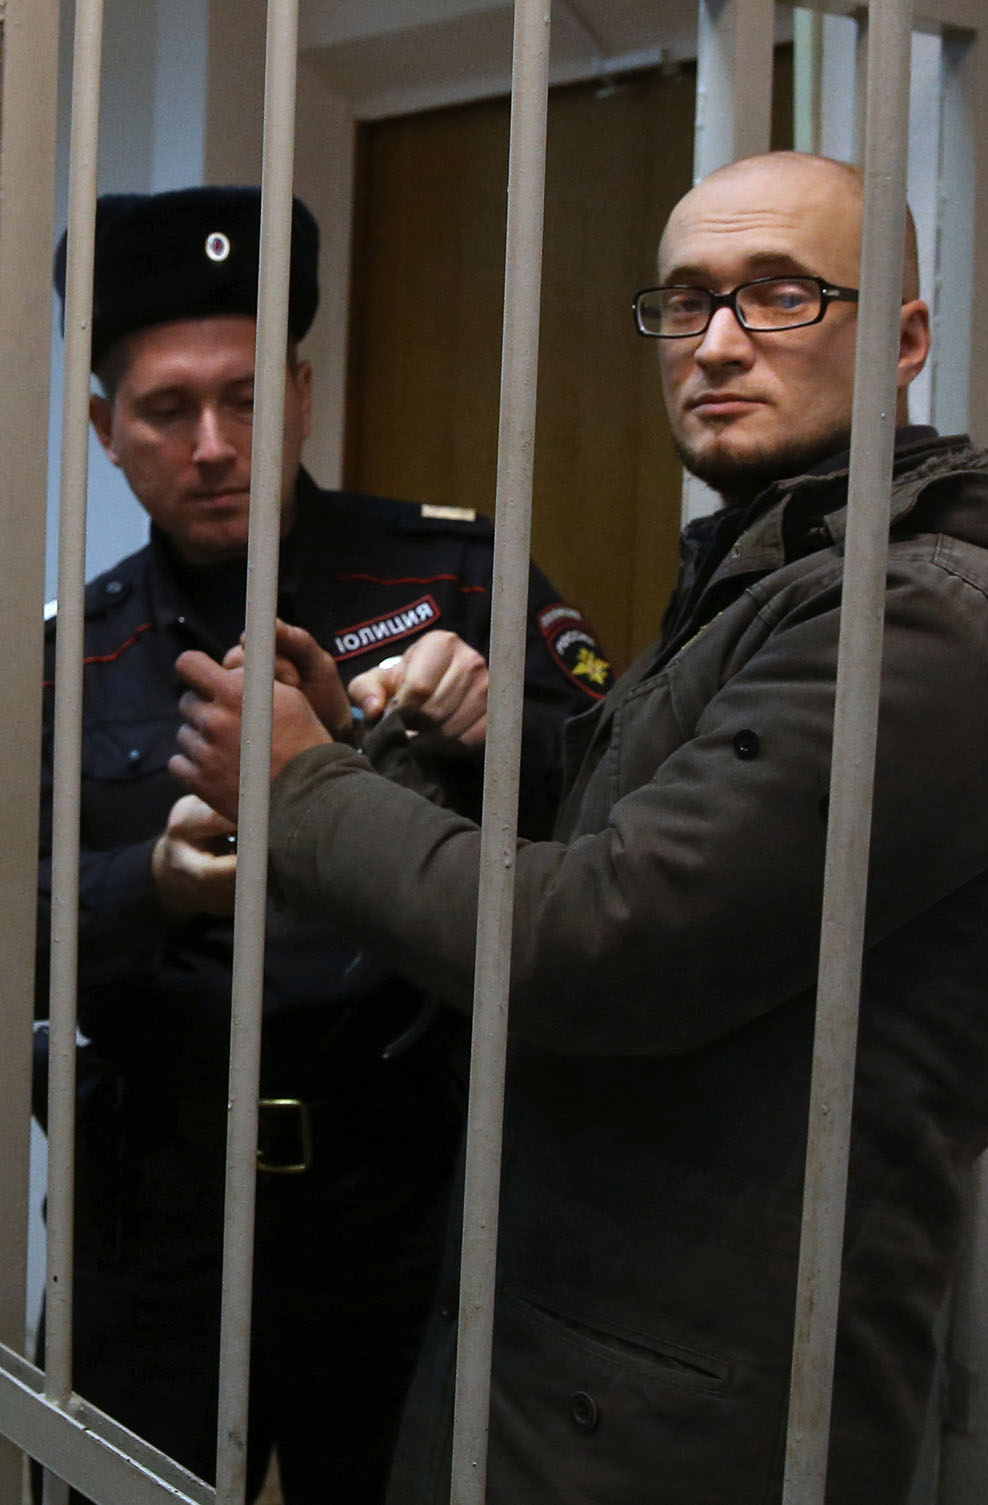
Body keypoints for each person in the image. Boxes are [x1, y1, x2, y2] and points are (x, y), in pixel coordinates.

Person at [173, 153, 988, 1505]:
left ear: (906, 340)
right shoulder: (780, 573)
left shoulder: (923, 620)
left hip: (683, 1404)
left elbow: (603, 944)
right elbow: (628, 854)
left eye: (783, 295)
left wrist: (304, 789)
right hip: (586, 1347)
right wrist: (415, 759)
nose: (719, 342)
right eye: (687, 301)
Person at [37, 185, 610, 1504]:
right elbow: (18, 922)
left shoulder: (455, 581)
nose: (215, 444)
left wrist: (496, 740)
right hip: (154, 1215)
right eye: (168, 410)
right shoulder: (65, 657)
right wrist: (153, 885)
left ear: (301, 397)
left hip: (408, 1202)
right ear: (105, 431)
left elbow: (619, 831)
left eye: (247, 397)